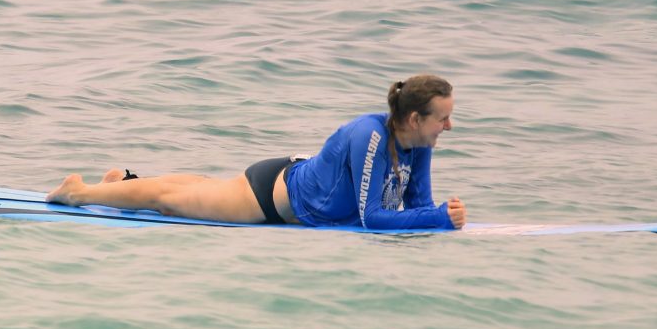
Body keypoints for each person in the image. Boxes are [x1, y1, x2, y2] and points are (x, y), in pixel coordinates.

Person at [47, 74, 466, 231]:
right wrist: (439, 219)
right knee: (169, 202)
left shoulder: (418, 143)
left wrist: (435, 217)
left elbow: (419, 207)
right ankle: (78, 192)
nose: (448, 126)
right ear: (413, 117)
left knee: (198, 190)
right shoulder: (370, 134)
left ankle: (122, 184)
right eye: (441, 119)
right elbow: (373, 217)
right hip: (268, 200)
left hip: (289, 179)